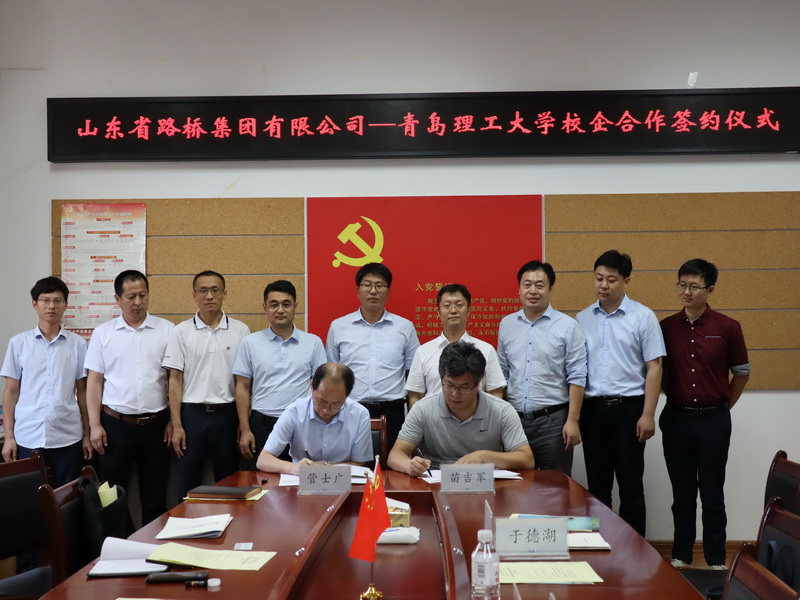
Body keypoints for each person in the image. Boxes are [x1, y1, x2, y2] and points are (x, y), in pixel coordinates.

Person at [660, 259, 750, 569]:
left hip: (714, 420)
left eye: (694, 287)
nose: (686, 292)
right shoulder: (666, 327)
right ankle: (681, 556)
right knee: (682, 493)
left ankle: (715, 560)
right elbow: (658, 372)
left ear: (710, 290)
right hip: (677, 419)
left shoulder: (727, 327)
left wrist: (724, 406)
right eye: (682, 285)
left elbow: (742, 372)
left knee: (712, 493)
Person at [575, 250, 665, 537]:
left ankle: (635, 552)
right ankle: (600, 548)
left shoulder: (643, 317)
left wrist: (648, 414)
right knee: (597, 487)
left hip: (630, 409)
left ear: (626, 281)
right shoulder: (582, 318)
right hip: (593, 410)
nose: (603, 285)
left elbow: (655, 367)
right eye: (599, 278)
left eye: (611, 279)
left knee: (631, 486)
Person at [85, 270, 174, 525]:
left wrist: (173, 420)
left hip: (156, 425)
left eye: (143, 295)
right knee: (111, 495)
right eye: (131, 297)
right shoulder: (103, 333)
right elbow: (94, 381)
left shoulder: (167, 330)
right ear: (118, 299)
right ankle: (116, 543)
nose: (138, 302)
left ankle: (152, 545)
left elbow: (174, 379)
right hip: (115, 426)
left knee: (155, 495)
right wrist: (95, 425)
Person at [162, 271, 250, 498]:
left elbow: (243, 382)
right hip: (192, 416)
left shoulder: (241, 330)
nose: (209, 296)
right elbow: (174, 379)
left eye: (215, 290)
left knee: (229, 482)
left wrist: (243, 424)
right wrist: (177, 424)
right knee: (188, 484)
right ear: (194, 295)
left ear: (224, 294)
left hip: (227, 416)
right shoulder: (180, 331)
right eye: (203, 290)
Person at [388, 341, 534, 475]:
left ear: (478, 384)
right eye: (449, 385)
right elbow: (395, 455)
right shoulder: (423, 409)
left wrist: (483, 456)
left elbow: (527, 459)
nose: (455, 394)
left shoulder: (502, 411)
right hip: (436, 481)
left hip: (485, 483)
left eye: (464, 387)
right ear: (441, 379)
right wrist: (409, 465)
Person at [497, 260, 586, 475]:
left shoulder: (568, 326)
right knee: (515, 485)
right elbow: (502, 373)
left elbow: (577, 376)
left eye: (539, 285)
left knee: (555, 486)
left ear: (550, 289)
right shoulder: (507, 324)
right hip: (514, 421)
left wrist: (573, 421)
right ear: (519, 289)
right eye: (527, 284)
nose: (533, 291)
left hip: (553, 422)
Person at [1, 276, 90, 487]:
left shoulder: (77, 344)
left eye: (58, 301)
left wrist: (87, 434)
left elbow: (83, 390)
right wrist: (9, 437)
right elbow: (11, 391)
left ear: (65, 305)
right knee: (30, 496)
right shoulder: (19, 343)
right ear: (35, 304)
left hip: (68, 435)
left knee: (68, 495)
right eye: (45, 300)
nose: (52, 306)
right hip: (27, 435)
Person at [326, 262, 419, 451]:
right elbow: (332, 374)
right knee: (352, 464)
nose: (373, 291)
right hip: (350, 410)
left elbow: (414, 376)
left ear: (388, 291)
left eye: (379, 285)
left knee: (393, 464)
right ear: (358, 290)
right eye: (367, 285)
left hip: (393, 412)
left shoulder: (405, 327)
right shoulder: (338, 327)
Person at [234, 280, 326, 469]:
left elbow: (320, 388)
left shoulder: (313, 343)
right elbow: (242, 387)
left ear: (295, 306)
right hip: (262, 424)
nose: (280, 310)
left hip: (301, 425)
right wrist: (245, 429)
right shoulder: (250, 342)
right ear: (265, 307)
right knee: (260, 479)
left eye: (286, 304)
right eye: (274, 304)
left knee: (303, 478)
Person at [256, 363, 372, 475]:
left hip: (343, 482)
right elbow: (263, 460)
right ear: (312, 386)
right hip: (301, 482)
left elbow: (359, 464)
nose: (326, 409)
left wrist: (326, 467)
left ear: (347, 396)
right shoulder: (295, 412)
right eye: (321, 401)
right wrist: (294, 468)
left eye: (336, 404)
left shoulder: (360, 415)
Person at [406, 283, 505, 406]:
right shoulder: (423, 352)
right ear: (438, 312)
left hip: (477, 418)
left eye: (459, 305)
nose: (453, 310)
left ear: (468, 310)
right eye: (447, 306)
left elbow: (495, 393)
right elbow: (415, 396)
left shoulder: (486, 350)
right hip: (433, 418)